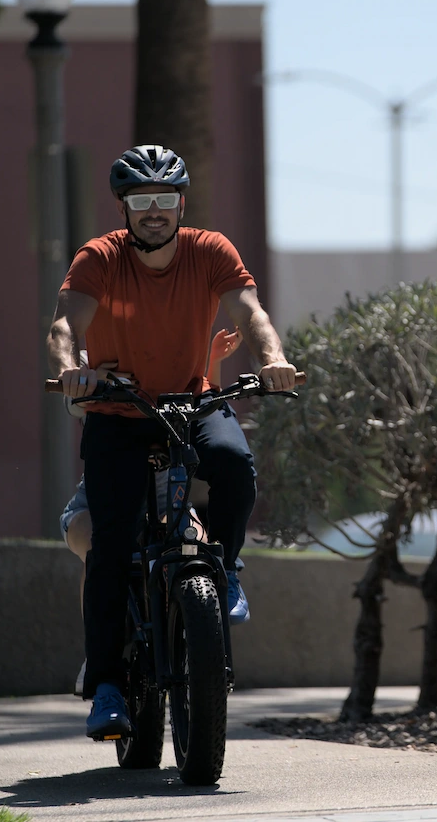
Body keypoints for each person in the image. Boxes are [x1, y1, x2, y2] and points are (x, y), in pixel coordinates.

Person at [49, 144, 297, 740]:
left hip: (190, 403)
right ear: (125, 207)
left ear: (180, 203)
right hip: (119, 410)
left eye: (165, 200)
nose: (154, 212)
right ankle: (106, 685)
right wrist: (71, 371)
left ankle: (227, 567)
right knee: (110, 545)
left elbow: (252, 311)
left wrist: (274, 358)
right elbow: (65, 324)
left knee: (235, 462)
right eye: (141, 202)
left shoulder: (211, 251)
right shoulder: (100, 258)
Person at [59, 328, 243, 696]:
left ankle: (201, 644)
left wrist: (214, 362)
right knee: (101, 552)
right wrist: (97, 377)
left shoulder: (178, 363)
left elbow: (206, 406)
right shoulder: (95, 356)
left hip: (169, 502)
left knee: (203, 550)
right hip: (98, 504)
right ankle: (97, 652)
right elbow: (75, 403)